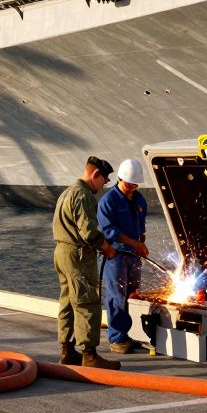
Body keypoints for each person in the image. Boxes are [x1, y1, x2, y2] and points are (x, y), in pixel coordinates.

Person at [52, 155, 121, 370]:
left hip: (62, 252)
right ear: (95, 175)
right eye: (104, 181)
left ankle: (67, 350)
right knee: (87, 302)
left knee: (67, 302)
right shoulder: (83, 195)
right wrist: (107, 247)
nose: (103, 186)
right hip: (78, 255)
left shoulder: (67, 192)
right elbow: (89, 232)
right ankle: (89, 355)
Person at [98, 158, 150, 354]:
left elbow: (141, 225)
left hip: (133, 255)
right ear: (121, 179)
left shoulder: (139, 199)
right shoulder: (108, 201)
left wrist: (141, 243)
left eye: (136, 184)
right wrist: (135, 244)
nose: (133, 187)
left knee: (132, 294)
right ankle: (117, 338)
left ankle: (129, 333)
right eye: (130, 184)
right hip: (115, 255)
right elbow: (110, 231)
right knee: (116, 295)